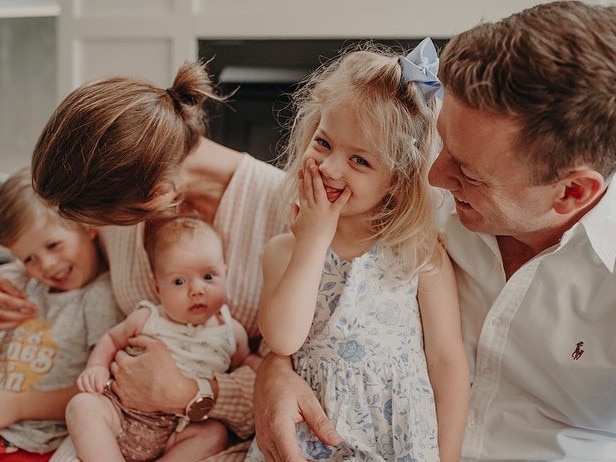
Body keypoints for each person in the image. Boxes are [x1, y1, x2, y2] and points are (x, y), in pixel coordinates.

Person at [251, 1, 616, 461]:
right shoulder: (409, 199)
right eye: (442, 143)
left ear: (571, 193)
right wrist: (276, 370)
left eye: (467, 170)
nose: (432, 177)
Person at [5, 60, 287, 462]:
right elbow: (67, 253)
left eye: (107, 221)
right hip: (116, 420)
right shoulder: (126, 195)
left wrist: (190, 393)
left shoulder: (284, 211)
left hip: (209, 429)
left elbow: (285, 374)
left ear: (159, 195)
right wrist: (12, 279)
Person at [247, 38, 469, 462]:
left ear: (398, 181)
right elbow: (282, 339)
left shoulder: (418, 254)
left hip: (396, 435)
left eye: (360, 161)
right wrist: (312, 240)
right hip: (311, 434)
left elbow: (447, 363)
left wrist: (448, 456)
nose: (329, 168)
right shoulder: (283, 250)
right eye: (324, 143)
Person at [66, 215, 257, 462]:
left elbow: (245, 361)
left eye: (209, 277)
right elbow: (112, 340)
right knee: (82, 407)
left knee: (214, 434)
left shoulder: (232, 331)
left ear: (225, 273)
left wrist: (261, 367)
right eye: (179, 281)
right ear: (157, 287)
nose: (197, 290)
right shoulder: (147, 317)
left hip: (179, 428)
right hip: (122, 412)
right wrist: (97, 367)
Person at [0, 168, 120, 459]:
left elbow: (100, 390)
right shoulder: (29, 286)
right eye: (29, 258)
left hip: (33, 442)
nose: (46, 266)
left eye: (54, 245)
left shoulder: (98, 297)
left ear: (86, 226)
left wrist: (18, 405)